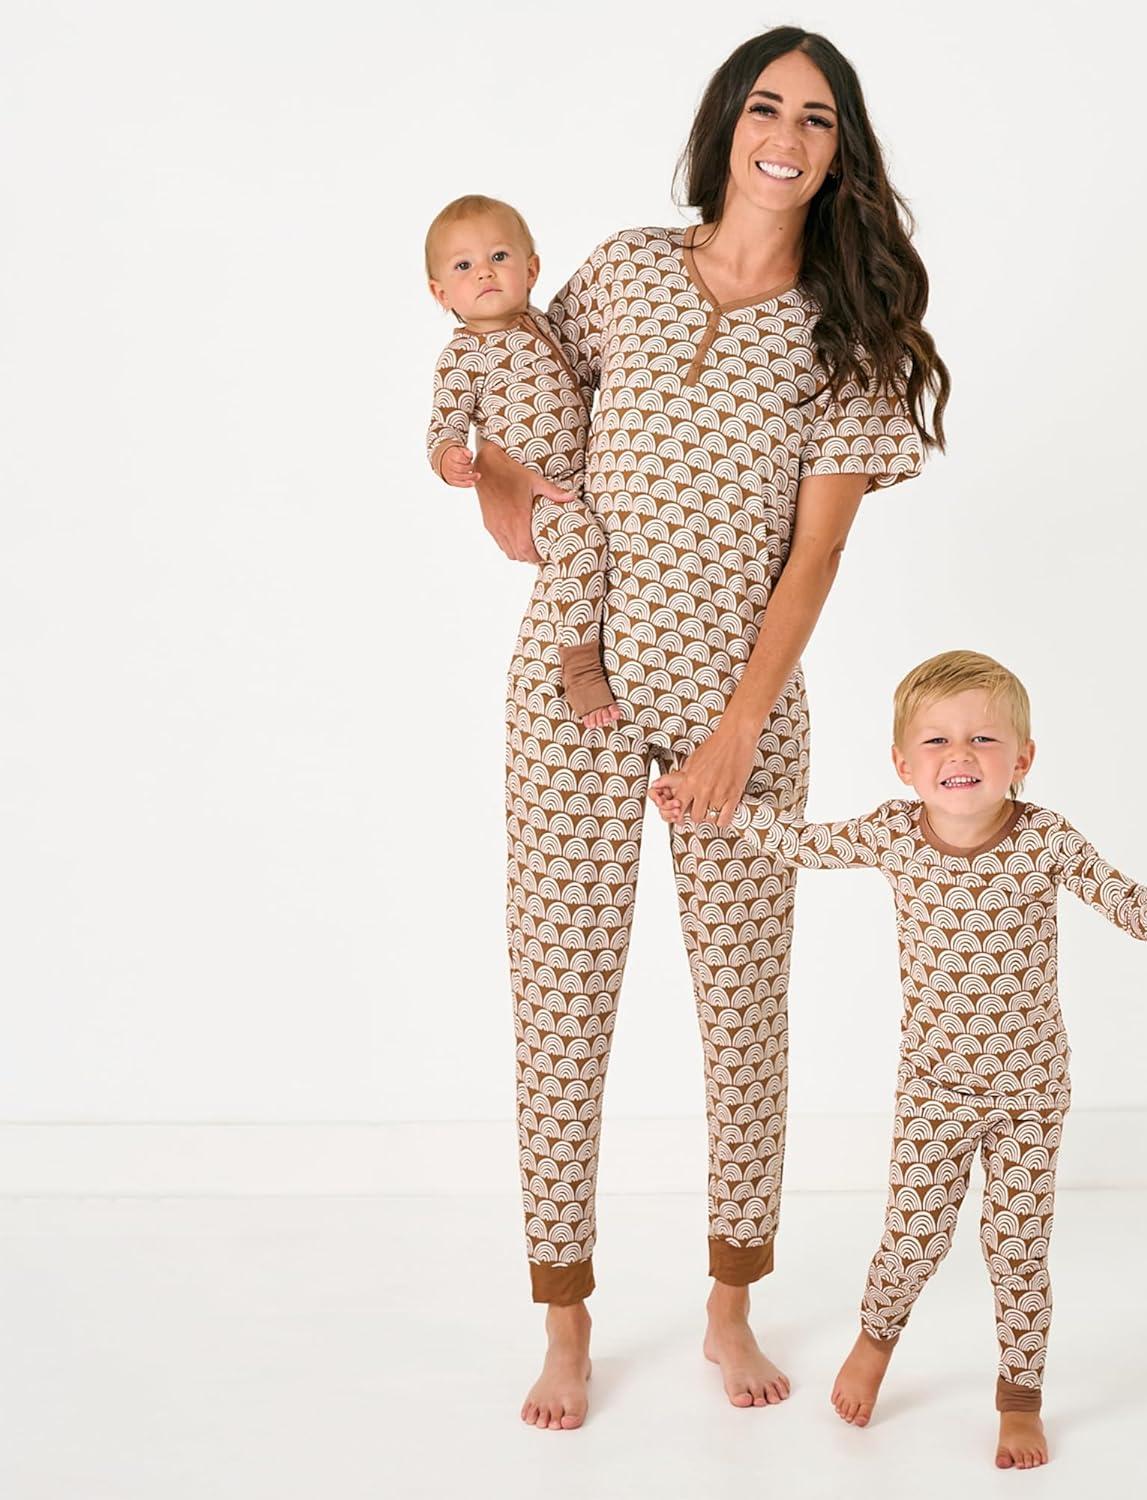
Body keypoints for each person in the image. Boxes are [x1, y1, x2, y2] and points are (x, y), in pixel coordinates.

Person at [466, 29, 950, 1429]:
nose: (786, 134)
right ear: (727, 124)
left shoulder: (845, 332)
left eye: (817, 117)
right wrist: (499, 489)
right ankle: (565, 1321)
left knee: (742, 1009)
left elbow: (816, 556)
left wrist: (739, 728)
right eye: (766, 107)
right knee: (561, 1003)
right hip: (571, 689)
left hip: (740, 708)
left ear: (841, 152)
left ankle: (729, 1307)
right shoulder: (623, 270)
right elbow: (515, 391)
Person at [649, 650, 1147, 1469]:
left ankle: (1019, 1401)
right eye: (938, 741)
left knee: (1017, 1250)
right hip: (934, 1089)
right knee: (913, 1237)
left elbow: (1112, 887)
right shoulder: (894, 833)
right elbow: (802, 844)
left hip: (1031, 1090)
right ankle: (875, 1343)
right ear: (903, 764)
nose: (961, 755)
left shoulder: (1044, 839)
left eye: (984, 738)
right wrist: (711, 806)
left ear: (1022, 758)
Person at [425, 195, 619, 727]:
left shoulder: (543, 324)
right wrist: (450, 458)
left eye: (499, 257)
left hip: (583, 475)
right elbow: (444, 423)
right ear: (441, 294)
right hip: (536, 493)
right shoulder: (463, 356)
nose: (484, 272)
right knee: (581, 546)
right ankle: (581, 671)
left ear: (531, 270)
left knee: (607, 548)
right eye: (463, 266)